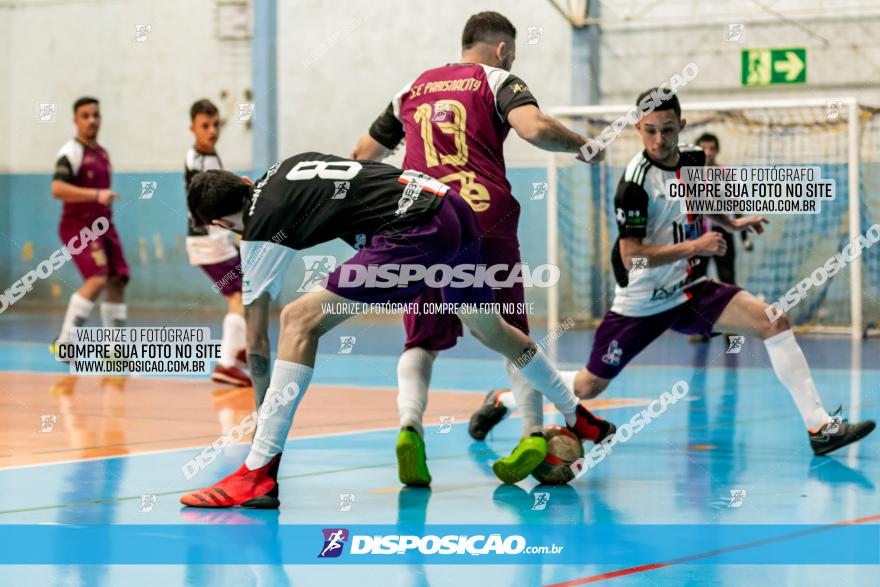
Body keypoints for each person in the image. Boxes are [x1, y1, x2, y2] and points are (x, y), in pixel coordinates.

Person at [179, 153, 615, 508]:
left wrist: (261, 423)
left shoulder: (257, 228)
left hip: (416, 229)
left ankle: (258, 473)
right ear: (240, 180)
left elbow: (255, 347)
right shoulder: (285, 168)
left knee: (298, 319)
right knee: (490, 328)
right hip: (450, 204)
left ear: (221, 223)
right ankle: (579, 415)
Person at [468, 90, 874, 457]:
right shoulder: (635, 185)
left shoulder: (694, 159)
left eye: (666, 129)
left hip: (691, 289)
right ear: (637, 130)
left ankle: (819, 426)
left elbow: (699, 201)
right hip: (641, 303)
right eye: (649, 131)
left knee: (774, 320)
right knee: (589, 387)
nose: (659, 140)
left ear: (681, 126)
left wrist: (733, 224)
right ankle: (503, 398)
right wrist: (697, 246)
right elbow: (632, 257)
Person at [350, 11, 599, 486]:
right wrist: (584, 145)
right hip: (483, 218)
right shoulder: (497, 79)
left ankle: (409, 427)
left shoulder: (411, 88)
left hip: (419, 220)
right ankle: (530, 433)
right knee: (513, 335)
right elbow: (534, 128)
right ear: (502, 49)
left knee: (420, 337)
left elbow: (363, 155)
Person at [51, 97, 129, 353]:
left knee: (118, 279)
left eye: (96, 115)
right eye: (85, 116)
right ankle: (65, 341)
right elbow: (57, 188)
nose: (92, 120)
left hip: (105, 224)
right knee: (96, 279)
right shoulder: (70, 153)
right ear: (75, 120)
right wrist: (96, 195)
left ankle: (114, 350)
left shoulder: (103, 151)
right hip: (78, 225)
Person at [184, 99, 251, 386]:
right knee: (240, 294)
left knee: (245, 290)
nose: (211, 131)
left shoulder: (211, 156)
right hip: (208, 241)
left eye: (215, 125)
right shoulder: (198, 160)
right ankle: (226, 364)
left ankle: (240, 349)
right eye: (204, 126)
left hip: (215, 238)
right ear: (192, 128)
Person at [688, 132, 751, 343]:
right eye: (703, 148)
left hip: (723, 233)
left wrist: (744, 237)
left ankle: (731, 329)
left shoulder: (725, 174)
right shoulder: (688, 175)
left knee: (728, 280)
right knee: (697, 282)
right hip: (698, 236)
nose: (707, 152)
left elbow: (736, 206)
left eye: (711, 148)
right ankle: (699, 328)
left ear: (717, 150)